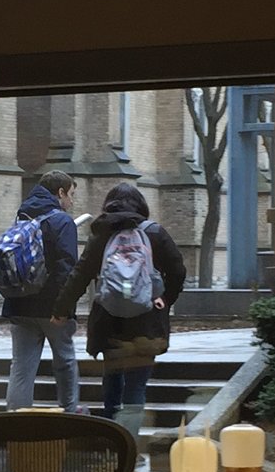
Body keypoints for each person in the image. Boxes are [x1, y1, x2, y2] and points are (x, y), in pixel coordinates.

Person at [57, 181, 187, 456]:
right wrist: (165, 299)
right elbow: (178, 270)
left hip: (110, 321)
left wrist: (61, 309)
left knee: (112, 382)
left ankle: (111, 447)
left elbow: (80, 274)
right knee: (136, 387)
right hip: (146, 323)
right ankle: (128, 450)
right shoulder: (154, 232)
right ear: (141, 205)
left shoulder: (102, 235)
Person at [0, 169, 82, 411]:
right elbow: (67, 268)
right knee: (65, 362)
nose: (71, 201)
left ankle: (16, 418)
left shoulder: (22, 216)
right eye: (71, 195)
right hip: (51, 308)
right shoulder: (62, 221)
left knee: (21, 368)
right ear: (60, 192)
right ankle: (69, 413)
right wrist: (63, 308)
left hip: (18, 304)